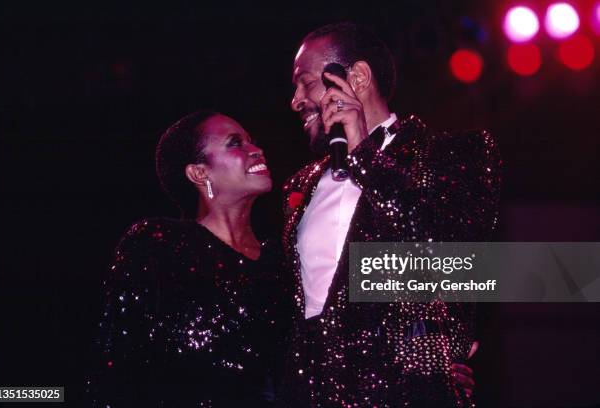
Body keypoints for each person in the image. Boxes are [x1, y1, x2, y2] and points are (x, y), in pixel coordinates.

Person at [281, 22, 500, 406]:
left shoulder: (455, 154)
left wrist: (365, 154)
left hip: (407, 393)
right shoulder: (301, 185)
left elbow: (447, 257)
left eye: (306, 83)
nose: (296, 100)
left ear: (357, 77)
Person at [85, 111, 290, 407]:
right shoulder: (157, 244)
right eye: (235, 143)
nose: (256, 150)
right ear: (199, 173)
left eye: (252, 142)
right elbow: (114, 361)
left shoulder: (279, 259)